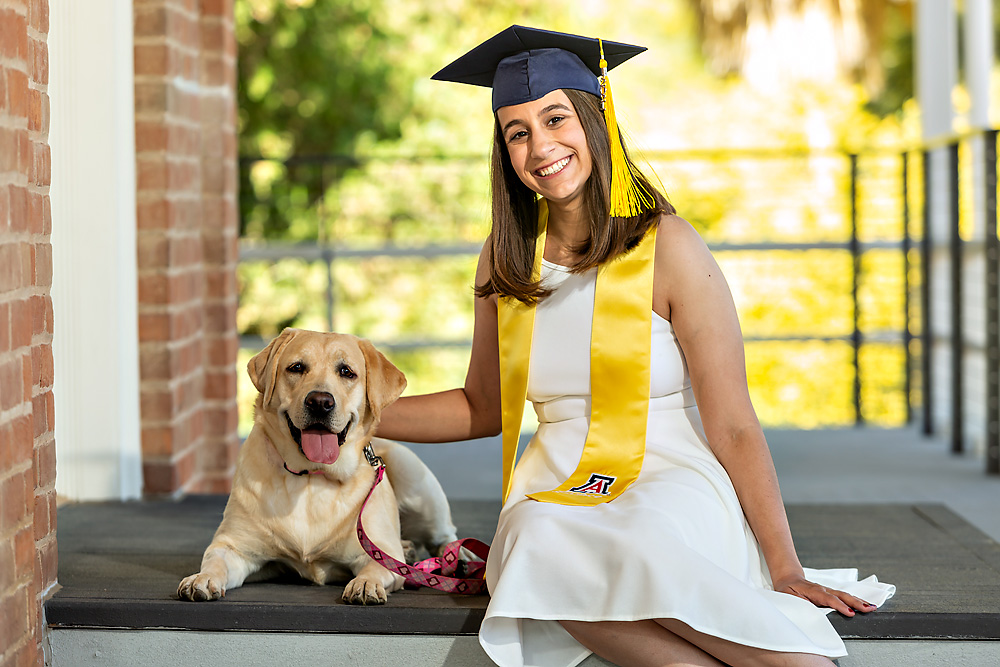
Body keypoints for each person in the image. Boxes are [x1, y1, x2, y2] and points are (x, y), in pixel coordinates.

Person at [376, 25, 894, 667]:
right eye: (518, 132)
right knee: (536, 537)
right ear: (504, 151)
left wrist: (783, 566)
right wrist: (352, 414)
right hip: (558, 484)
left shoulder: (668, 245)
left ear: (594, 118)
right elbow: (483, 406)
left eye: (555, 118)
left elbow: (731, 422)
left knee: (632, 541)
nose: (541, 146)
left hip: (669, 474)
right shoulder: (506, 261)